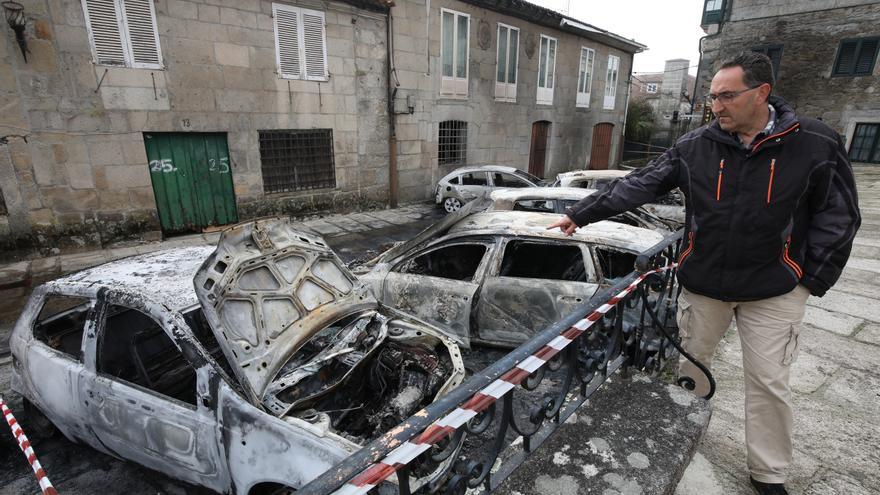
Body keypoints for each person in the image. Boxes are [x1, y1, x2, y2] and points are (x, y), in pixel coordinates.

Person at [548, 51, 860, 495]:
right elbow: (641, 182)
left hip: (774, 289)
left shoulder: (815, 142)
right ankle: (678, 438)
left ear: (762, 93)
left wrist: (810, 279)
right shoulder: (696, 146)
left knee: (770, 382)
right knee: (692, 371)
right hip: (706, 286)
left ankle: (768, 474)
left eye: (727, 96)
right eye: (713, 97)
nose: (717, 106)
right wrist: (580, 213)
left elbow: (840, 214)